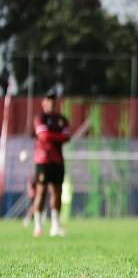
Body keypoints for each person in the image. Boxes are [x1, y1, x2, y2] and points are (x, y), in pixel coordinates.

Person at [31, 89, 70, 237]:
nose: (51, 104)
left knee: (57, 192)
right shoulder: (40, 117)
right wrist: (57, 136)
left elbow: (67, 136)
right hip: (43, 160)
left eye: (54, 101)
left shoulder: (62, 119)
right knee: (41, 192)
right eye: (49, 101)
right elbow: (43, 136)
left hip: (58, 160)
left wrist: (52, 136)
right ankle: (38, 225)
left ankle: (55, 226)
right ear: (43, 103)